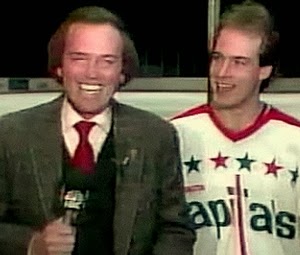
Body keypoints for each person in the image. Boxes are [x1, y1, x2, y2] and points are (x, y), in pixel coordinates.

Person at [0, 6, 195, 255]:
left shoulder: (156, 136)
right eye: (79, 58)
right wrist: (32, 244)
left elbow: (176, 229)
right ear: (60, 66)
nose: (92, 73)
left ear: (122, 73)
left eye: (107, 61)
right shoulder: (11, 134)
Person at [171, 1, 300, 254]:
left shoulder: (295, 140)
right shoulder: (174, 135)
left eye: (239, 62)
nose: (222, 72)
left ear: (264, 70)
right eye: (218, 58)